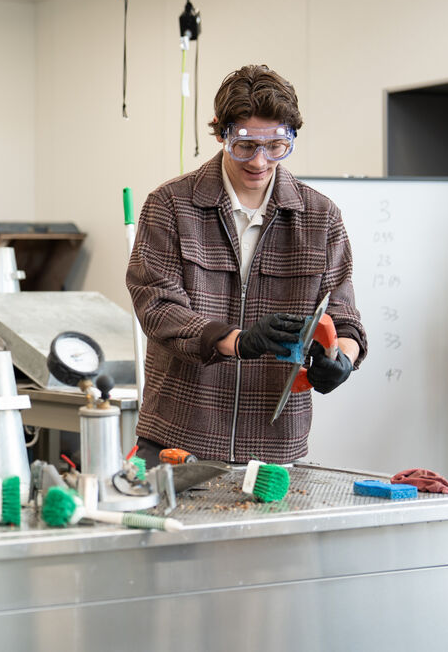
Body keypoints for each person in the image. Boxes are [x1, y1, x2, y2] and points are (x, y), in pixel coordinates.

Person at [125, 64, 366, 467]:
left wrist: (340, 358)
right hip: (178, 438)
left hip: (274, 447)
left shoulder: (319, 216)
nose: (259, 160)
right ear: (221, 133)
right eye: (244, 144)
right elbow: (158, 308)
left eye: (275, 145)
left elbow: (343, 316)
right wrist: (238, 340)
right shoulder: (171, 206)